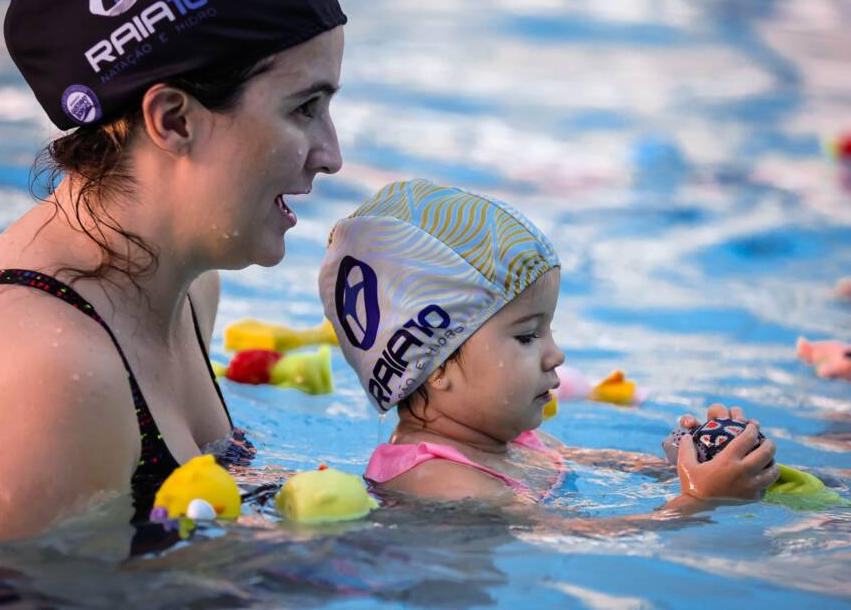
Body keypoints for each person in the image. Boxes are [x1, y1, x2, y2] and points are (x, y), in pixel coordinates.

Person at [0, 0, 345, 541]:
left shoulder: (185, 288)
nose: (332, 155)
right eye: (304, 109)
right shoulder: (51, 370)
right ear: (173, 120)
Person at [318, 180, 780, 514]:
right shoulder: (438, 479)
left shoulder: (515, 441)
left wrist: (693, 459)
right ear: (434, 366)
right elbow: (574, 539)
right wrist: (698, 501)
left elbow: (610, 466)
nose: (556, 354)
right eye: (526, 335)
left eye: (549, 330)